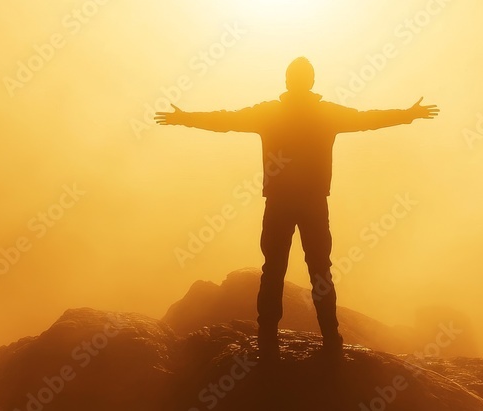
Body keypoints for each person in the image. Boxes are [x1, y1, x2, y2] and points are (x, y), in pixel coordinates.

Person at [155, 57, 439, 360]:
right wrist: (408, 114)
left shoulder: (271, 113)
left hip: (279, 201)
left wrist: (184, 117)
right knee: (320, 272)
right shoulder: (325, 113)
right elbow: (366, 119)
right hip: (313, 202)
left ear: (287, 81)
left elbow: (226, 121)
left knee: (273, 271)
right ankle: (331, 338)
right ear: (311, 82)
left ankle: (268, 338)